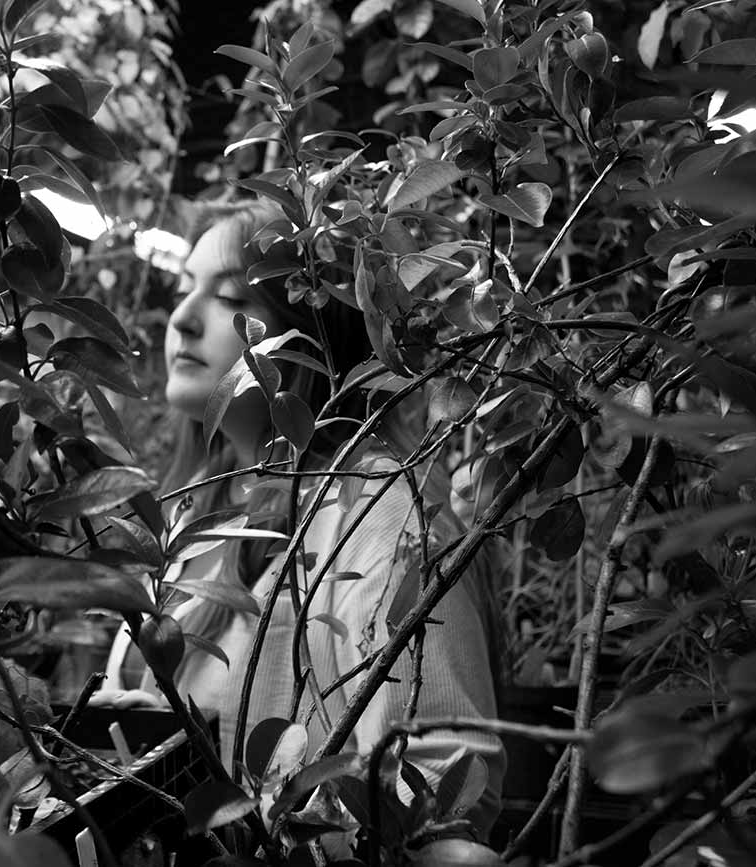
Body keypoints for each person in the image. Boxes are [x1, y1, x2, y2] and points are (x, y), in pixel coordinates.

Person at [92, 200, 506, 834]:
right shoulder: (188, 510)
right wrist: (151, 745)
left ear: (309, 341)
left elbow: (443, 789)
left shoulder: (379, 516)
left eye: (231, 298)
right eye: (185, 288)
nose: (181, 318)